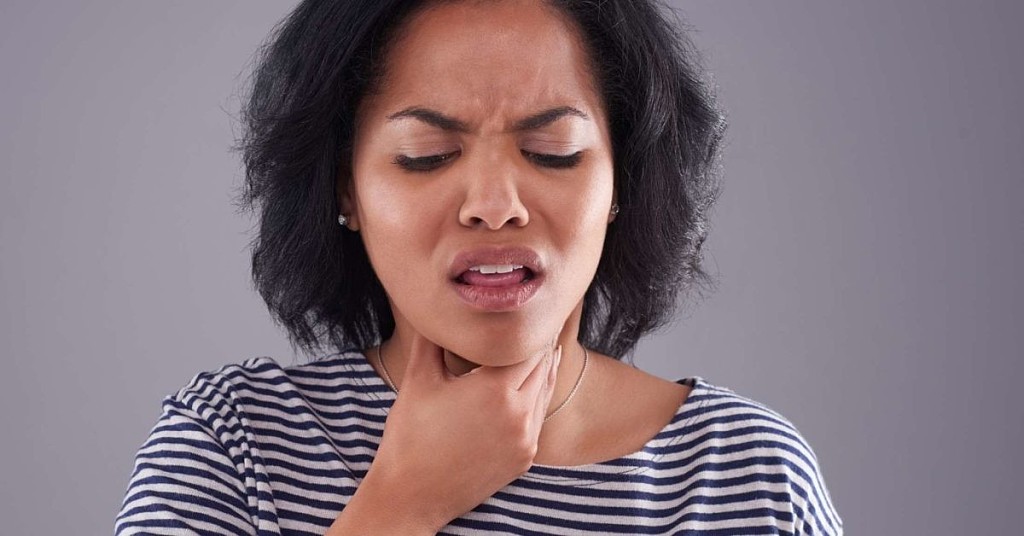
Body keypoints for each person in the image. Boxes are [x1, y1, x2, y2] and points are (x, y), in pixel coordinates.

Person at [115, 0, 843, 534]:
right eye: (426, 156)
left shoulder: (749, 475)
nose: (496, 208)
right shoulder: (230, 446)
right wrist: (402, 504)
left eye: (554, 152)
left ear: (622, 182)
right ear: (345, 191)